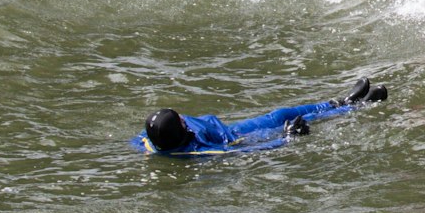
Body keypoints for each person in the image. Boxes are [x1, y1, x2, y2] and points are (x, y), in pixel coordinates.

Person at [133, 77, 388, 157]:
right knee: (290, 122)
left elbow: (138, 145)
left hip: (231, 127)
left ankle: (340, 101)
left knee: (279, 113)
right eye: (180, 121)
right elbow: (243, 153)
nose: (185, 119)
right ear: (179, 133)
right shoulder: (198, 151)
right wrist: (287, 140)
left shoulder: (147, 138)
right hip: (239, 139)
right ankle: (355, 108)